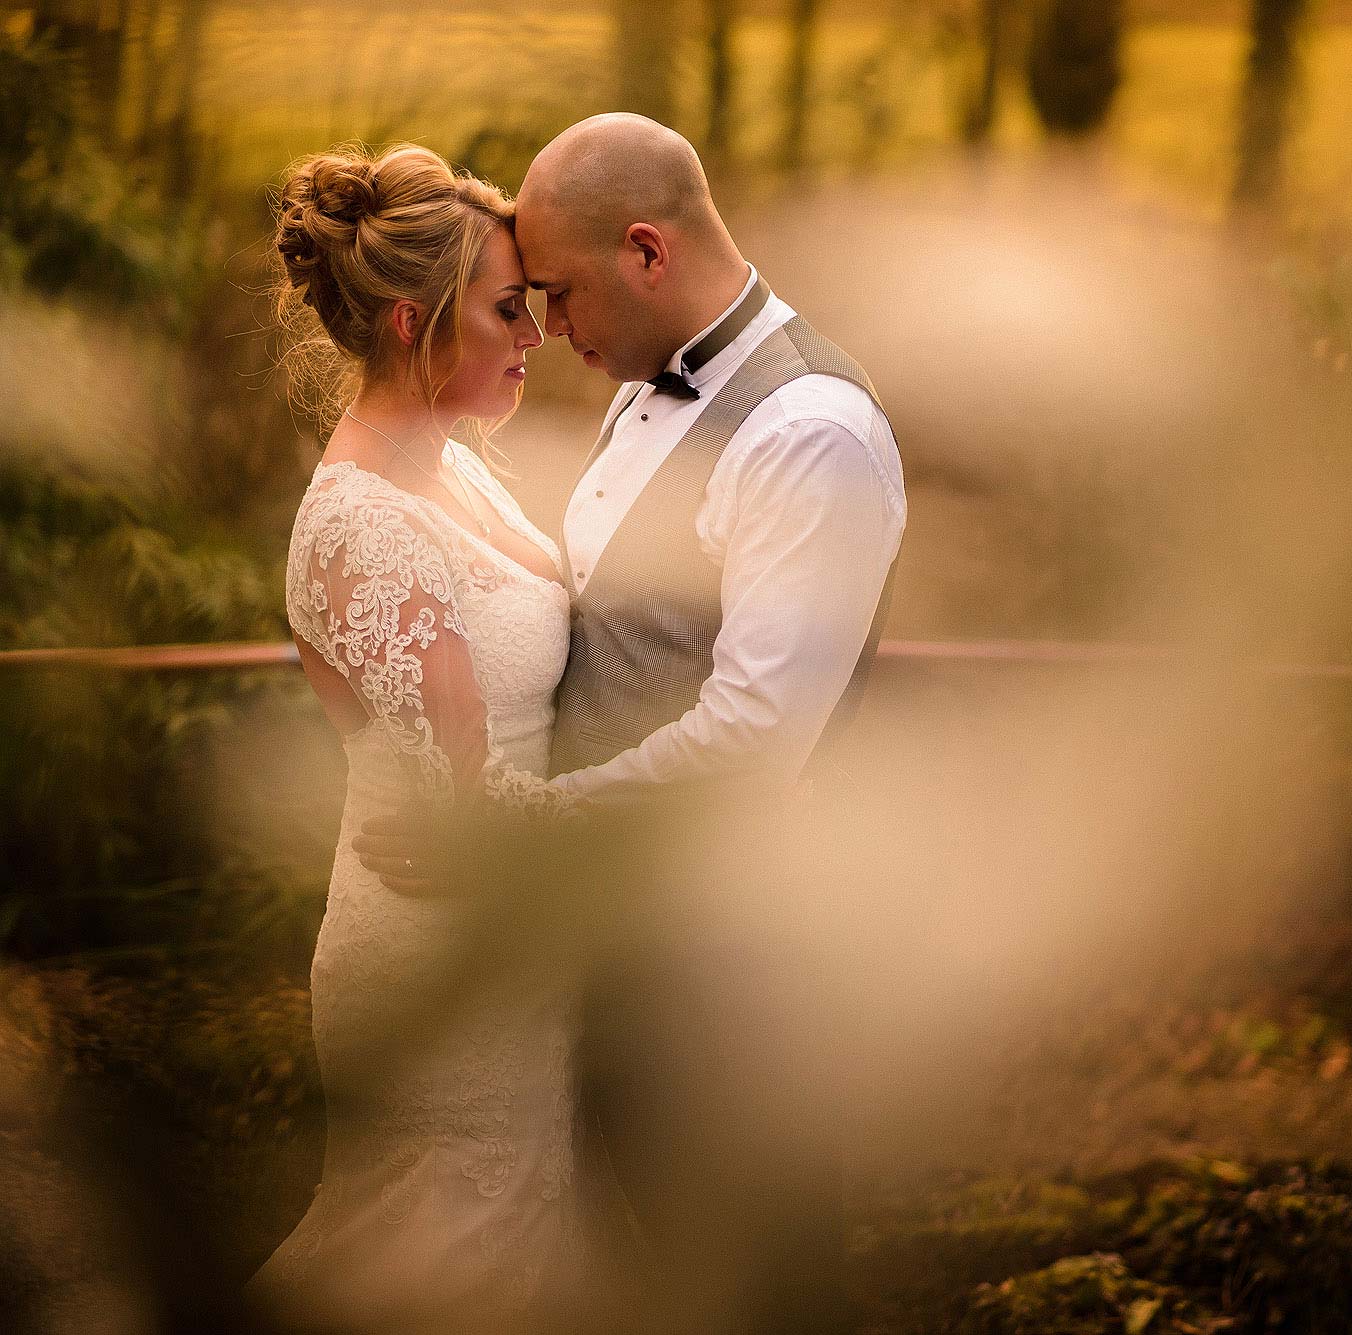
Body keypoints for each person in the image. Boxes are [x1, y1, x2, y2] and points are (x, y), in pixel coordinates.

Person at [353, 114, 906, 1334]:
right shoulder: (640, 375)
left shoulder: (805, 433)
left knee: (750, 1273)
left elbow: (756, 735)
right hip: (609, 943)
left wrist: (530, 830)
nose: (547, 330)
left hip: (726, 961)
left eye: (555, 292)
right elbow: (607, 632)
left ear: (646, 252)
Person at [247, 144, 596, 1332]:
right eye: (508, 310)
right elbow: (467, 803)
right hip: (438, 940)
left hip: (508, 936)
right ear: (412, 321)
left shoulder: (456, 471)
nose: (532, 337)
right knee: (436, 1261)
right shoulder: (362, 525)